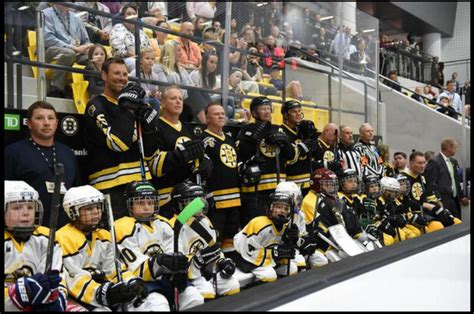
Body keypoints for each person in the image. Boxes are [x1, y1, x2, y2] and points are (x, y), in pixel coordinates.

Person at [58, 185, 169, 311]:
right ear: (73, 212)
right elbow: (74, 279)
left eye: (98, 207)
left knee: (156, 301)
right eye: (89, 209)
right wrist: (105, 293)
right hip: (79, 298)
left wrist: (131, 282)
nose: (96, 212)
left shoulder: (104, 235)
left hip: (104, 293)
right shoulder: (63, 238)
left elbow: (113, 269)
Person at [83, 58, 158, 219]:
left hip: (140, 184)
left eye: (125, 74)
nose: (122, 78)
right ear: (104, 75)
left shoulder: (133, 104)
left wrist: (150, 129)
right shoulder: (95, 105)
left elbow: (150, 151)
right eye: (116, 73)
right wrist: (128, 109)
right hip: (111, 187)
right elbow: (117, 143)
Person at [114, 180, 204, 310]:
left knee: (194, 298)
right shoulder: (122, 227)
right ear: (130, 204)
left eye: (150, 202)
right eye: (140, 203)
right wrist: (161, 262)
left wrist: (178, 269)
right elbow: (135, 267)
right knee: (159, 305)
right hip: (141, 283)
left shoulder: (163, 223)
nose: (146, 207)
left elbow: (173, 250)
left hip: (166, 279)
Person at [5, 101, 81, 228]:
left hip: (66, 230)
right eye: (39, 118)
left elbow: (76, 190)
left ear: (56, 123)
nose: (46, 123)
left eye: (51, 118)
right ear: (29, 123)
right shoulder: (14, 152)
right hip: (28, 230)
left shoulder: (68, 153)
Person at [142, 85, 207, 219]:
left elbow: (198, 160)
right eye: (173, 98)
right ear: (163, 103)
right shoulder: (155, 127)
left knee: (190, 236)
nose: (178, 102)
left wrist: (204, 163)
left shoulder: (188, 128)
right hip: (166, 199)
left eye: (180, 99)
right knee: (172, 236)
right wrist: (184, 153)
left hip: (189, 197)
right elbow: (155, 166)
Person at [4, 181, 69, 312]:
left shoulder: (46, 238)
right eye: (17, 208)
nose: (25, 213)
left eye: (30, 207)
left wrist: (57, 298)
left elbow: (58, 279)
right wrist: (19, 293)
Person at [169, 181, 240, 299]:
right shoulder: (173, 226)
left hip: (206, 270)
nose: (199, 204)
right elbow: (176, 260)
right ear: (179, 204)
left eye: (200, 199)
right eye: (192, 201)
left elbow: (213, 249)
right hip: (189, 275)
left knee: (232, 285)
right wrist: (197, 260)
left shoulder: (205, 220)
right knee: (206, 293)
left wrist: (222, 261)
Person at [236, 96, 300, 227]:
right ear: (254, 113)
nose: (266, 111)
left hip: (278, 189)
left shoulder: (279, 129)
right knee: (258, 226)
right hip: (255, 191)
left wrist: (284, 143)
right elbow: (241, 157)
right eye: (262, 109)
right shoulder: (246, 130)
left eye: (268, 108)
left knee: (279, 226)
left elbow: (292, 156)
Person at [200, 103, 242, 254]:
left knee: (230, 238)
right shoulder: (202, 139)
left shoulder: (230, 138)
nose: (221, 116)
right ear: (207, 118)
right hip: (216, 199)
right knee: (214, 238)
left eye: (223, 114)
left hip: (235, 198)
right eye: (216, 114)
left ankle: (229, 265)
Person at [233, 192, 299, 283]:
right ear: (270, 208)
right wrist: (274, 253)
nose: (282, 211)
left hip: (267, 259)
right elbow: (249, 251)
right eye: (278, 207)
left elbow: (281, 251)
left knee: (292, 268)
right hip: (247, 259)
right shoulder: (259, 224)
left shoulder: (285, 227)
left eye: (286, 208)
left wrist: (291, 242)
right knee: (270, 275)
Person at [401, 151, 460, 232]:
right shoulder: (402, 179)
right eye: (419, 163)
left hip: (427, 213)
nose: (422, 166)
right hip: (414, 215)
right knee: (437, 227)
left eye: (424, 163)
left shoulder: (422, 178)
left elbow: (430, 196)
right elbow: (404, 202)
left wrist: (440, 208)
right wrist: (429, 206)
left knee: (456, 221)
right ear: (411, 163)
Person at [43, 2, 92, 97]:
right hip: (52, 50)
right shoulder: (45, 13)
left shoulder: (76, 18)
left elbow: (86, 40)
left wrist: (87, 47)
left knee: (95, 56)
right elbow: (47, 39)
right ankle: (55, 89)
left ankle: (92, 91)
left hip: (76, 51)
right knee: (69, 54)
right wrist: (74, 48)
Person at [154, 40, 210, 123]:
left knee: (201, 91)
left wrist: (194, 86)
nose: (181, 53)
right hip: (173, 98)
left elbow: (190, 84)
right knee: (194, 92)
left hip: (185, 98)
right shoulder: (159, 67)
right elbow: (164, 88)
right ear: (171, 52)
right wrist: (187, 90)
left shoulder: (181, 69)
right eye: (178, 50)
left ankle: (212, 116)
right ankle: (205, 123)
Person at [424, 138, 470, 219]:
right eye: (455, 147)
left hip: (455, 201)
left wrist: (461, 196)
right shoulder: (434, 161)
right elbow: (431, 183)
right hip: (443, 201)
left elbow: (456, 181)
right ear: (449, 147)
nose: (456, 149)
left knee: (457, 223)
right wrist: (437, 200)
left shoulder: (453, 162)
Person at [280, 100, 317, 196]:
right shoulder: (281, 132)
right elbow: (289, 157)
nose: (298, 114)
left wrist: (313, 136)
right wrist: (304, 146)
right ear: (286, 115)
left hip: (308, 182)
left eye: (299, 111)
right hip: (291, 184)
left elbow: (316, 151)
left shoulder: (303, 131)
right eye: (294, 111)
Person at [109, 4, 152, 72]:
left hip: (141, 59)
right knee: (136, 63)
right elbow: (117, 49)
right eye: (129, 14)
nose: (132, 16)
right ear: (123, 17)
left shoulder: (141, 32)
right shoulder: (118, 27)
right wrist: (129, 53)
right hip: (123, 59)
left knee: (154, 67)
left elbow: (149, 49)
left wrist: (145, 57)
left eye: (134, 14)